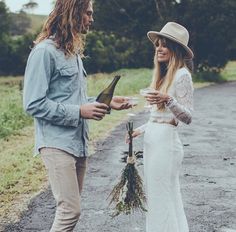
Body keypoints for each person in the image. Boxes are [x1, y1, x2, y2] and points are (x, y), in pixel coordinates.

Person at [23, 0, 131, 231]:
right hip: (56, 144)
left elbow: (75, 101)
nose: (91, 19)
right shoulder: (44, 52)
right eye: (88, 13)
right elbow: (33, 103)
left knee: (70, 210)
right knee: (70, 211)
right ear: (73, 12)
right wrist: (79, 111)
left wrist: (107, 102)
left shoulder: (73, 54)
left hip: (78, 143)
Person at [130, 22, 194, 232]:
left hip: (167, 145)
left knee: (162, 197)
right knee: (158, 197)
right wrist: (140, 130)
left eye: (164, 45)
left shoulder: (182, 75)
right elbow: (158, 118)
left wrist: (168, 99)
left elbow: (188, 116)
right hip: (153, 142)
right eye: (158, 44)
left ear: (175, 50)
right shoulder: (163, 75)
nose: (159, 48)